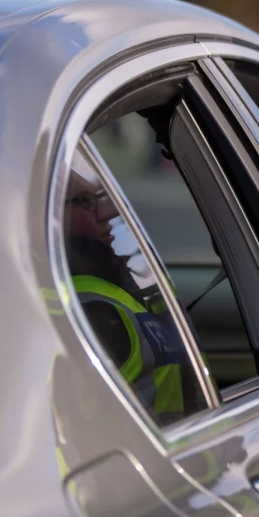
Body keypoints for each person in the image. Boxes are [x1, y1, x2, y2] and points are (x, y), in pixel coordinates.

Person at [64, 170, 196, 424]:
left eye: (98, 199)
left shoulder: (106, 287)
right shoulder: (93, 312)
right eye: (85, 201)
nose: (107, 214)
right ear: (48, 217)